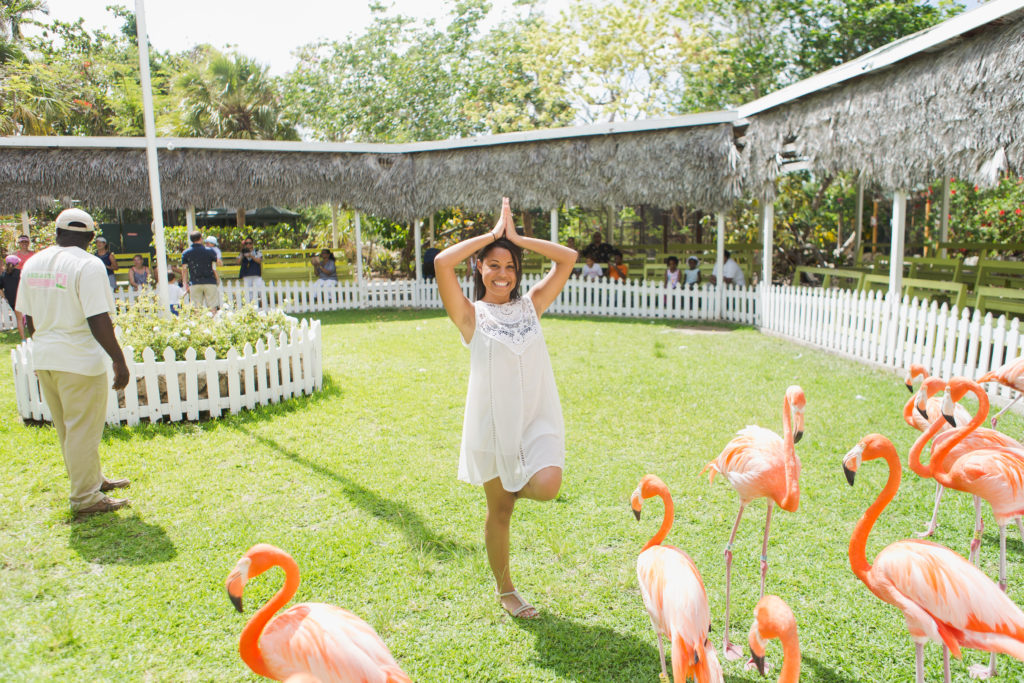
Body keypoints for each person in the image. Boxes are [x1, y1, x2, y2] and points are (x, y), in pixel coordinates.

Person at [434, 197, 576, 620]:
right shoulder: (470, 315)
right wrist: (491, 237)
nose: (502, 274)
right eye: (493, 265)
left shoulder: (531, 305)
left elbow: (567, 259)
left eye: (510, 266)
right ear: (479, 269)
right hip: (494, 428)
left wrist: (515, 238)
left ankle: (516, 481)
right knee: (500, 512)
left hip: (536, 421)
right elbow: (442, 263)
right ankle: (507, 591)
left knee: (548, 485)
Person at [14, 208, 131, 515]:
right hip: (79, 359)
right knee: (82, 430)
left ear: (56, 233)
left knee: (69, 429)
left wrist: (42, 347)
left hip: (46, 356)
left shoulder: (34, 262)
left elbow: (28, 317)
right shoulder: (89, 265)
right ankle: (86, 498)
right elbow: (97, 317)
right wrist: (119, 360)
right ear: (92, 238)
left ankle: (91, 481)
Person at [180, 230, 220, 312]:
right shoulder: (209, 251)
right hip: (210, 281)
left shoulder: (186, 253)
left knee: (196, 309)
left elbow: (184, 270)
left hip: (195, 282)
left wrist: (185, 283)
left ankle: (199, 324)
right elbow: (218, 263)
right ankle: (213, 324)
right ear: (201, 238)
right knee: (212, 307)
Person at [1, 254, 25, 338]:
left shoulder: (3, 275)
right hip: (22, 297)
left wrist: (4, 297)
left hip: (12, 300)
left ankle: (23, 339)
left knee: (19, 319)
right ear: (16, 264)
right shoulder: (20, 272)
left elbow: (0, 288)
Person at [236, 237, 264, 305]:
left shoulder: (257, 251)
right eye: (246, 243)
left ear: (252, 244)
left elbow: (259, 261)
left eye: (250, 243)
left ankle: (261, 304)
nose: (248, 245)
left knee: (259, 290)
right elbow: (238, 262)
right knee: (248, 292)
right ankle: (250, 305)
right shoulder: (242, 252)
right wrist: (243, 255)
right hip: (246, 274)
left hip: (256, 273)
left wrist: (251, 256)